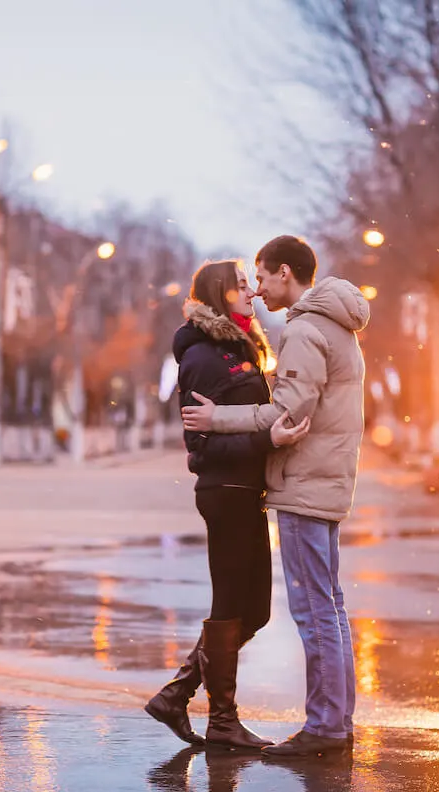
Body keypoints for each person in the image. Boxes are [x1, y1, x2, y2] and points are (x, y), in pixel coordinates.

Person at [182, 236, 370, 758]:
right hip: (325, 482)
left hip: (305, 484)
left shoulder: (306, 329)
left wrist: (216, 418)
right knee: (330, 608)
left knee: (315, 612)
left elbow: (287, 413)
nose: (259, 290)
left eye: (262, 278)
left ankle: (326, 727)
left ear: (286, 273)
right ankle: (337, 720)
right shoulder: (336, 323)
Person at [144, 259, 310, 750]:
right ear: (220, 294)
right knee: (232, 607)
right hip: (224, 491)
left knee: (252, 610)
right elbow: (203, 446)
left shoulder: (240, 348)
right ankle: (221, 721)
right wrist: (268, 439)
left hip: (246, 491)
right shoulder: (203, 356)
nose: (252, 293)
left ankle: (178, 694)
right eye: (242, 286)